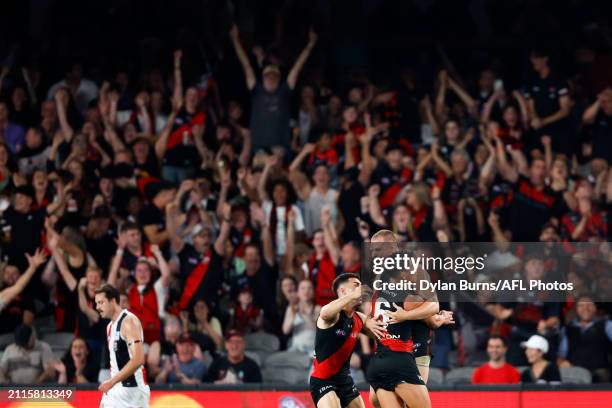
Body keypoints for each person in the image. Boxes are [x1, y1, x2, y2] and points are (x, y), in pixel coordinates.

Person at [366, 229, 438, 408]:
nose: (374, 255)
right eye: (372, 251)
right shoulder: (381, 274)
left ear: (392, 246)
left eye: (378, 250)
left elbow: (433, 306)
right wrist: (368, 321)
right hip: (389, 348)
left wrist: (407, 315)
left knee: (408, 402)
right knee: (376, 400)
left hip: (416, 345)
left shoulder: (413, 270)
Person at [230, 24, 318, 152]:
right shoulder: (256, 90)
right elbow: (246, 66)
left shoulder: (284, 90)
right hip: (258, 149)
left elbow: (297, 68)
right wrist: (235, 40)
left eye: (274, 77)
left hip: (281, 148)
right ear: (263, 78)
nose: (271, 79)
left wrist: (310, 44)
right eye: (267, 76)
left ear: (278, 79)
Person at [309, 273, 385, 408]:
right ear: (342, 291)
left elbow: (379, 332)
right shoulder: (332, 314)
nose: (360, 289)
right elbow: (325, 313)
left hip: (345, 381)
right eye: (356, 285)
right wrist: (352, 295)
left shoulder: (359, 318)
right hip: (323, 380)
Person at [95, 284, 150, 408]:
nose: (97, 307)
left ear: (113, 301)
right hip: (116, 389)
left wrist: (112, 382)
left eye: (101, 302)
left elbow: (138, 359)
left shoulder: (129, 322)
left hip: (133, 392)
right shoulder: (110, 326)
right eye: (96, 303)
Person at [558, 296, 612, 383]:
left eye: (589, 305)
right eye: (581, 305)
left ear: (595, 308)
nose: (585, 308)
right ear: (576, 309)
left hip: (598, 372)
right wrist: (562, 362)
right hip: (574, 373)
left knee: (601, 375)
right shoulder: (567, 329)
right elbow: (561, 355)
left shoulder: (606, 325)